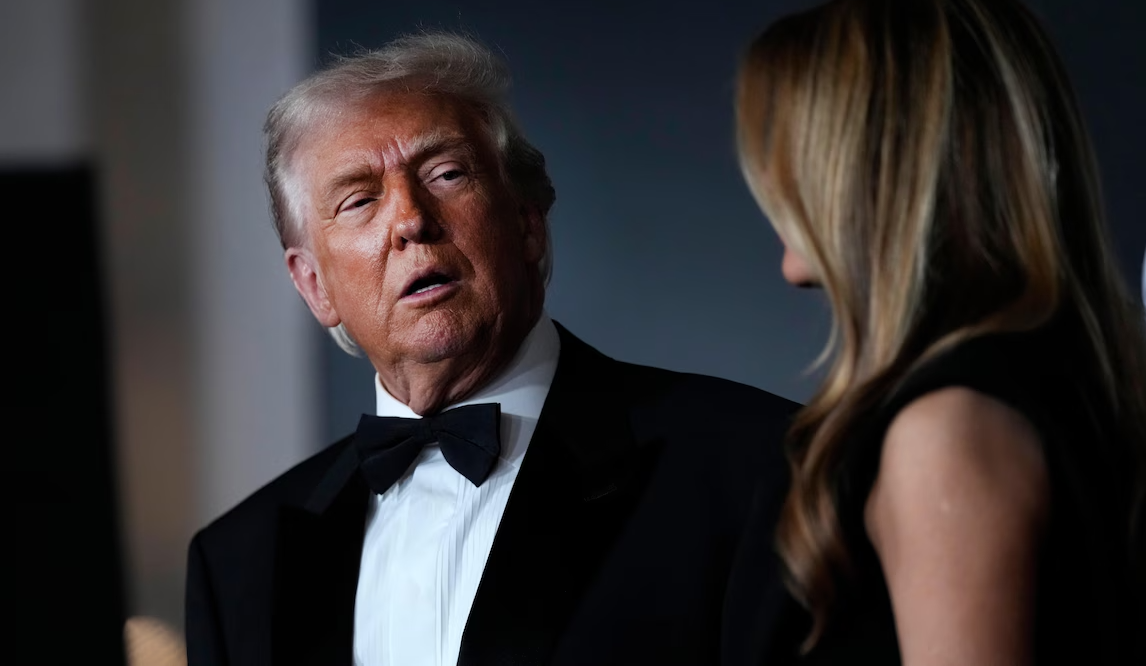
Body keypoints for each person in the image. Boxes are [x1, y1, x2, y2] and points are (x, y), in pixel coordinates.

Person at [185, 32, 798, 666]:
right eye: (360, 200)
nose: (410, 220)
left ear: (528, 222)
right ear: (315, 285)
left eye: (446, 174)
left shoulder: (754, 465)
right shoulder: (237, 564)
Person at [733, 0, 1146, 664]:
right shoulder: (1087, 381)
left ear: (876, 171)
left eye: (791, 164)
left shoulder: (945, 431)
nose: (774, 193)